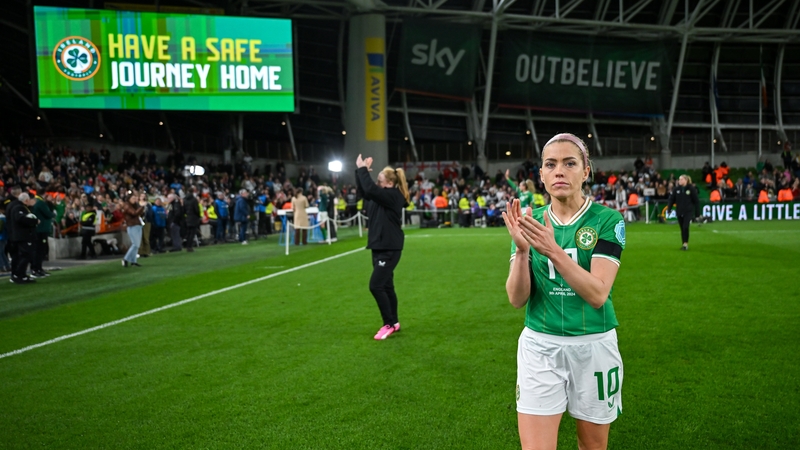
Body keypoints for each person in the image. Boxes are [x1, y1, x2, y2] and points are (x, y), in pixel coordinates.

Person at [503, 133, 626, 450]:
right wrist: (521, 251)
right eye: (550, 164)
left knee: (592, 447)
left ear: (586, 171)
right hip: (540, 347)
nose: (559, 171)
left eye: (569, 163)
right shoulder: (530, 219)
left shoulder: (607, 220)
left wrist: (552, 250)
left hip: (593, 348)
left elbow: (598, 294)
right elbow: (517, 299)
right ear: (541, 175)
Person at [354, 154, 410, 340]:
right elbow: (364, 192)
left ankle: (388, 324)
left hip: (389, 247)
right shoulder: (379, 196)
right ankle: (394, 322)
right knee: (386, 286)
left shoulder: (393, 196)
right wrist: (359, 172)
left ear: (388, 183)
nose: (376, 183)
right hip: (379, 245)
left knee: (375, 285)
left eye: (379, 180)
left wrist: (363, 170)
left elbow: (369, 189)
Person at [8, 193, 40, 284]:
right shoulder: (18, 208)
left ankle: (22, 275)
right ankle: (18, 275)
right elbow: (21, 219)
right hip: (22, 236)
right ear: (26, 200)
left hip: (22, 236)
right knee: (25, 255)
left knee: (25, 255)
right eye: (29, 199)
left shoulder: (22, 207)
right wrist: (35, 221)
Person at [666, 174, 700, 251]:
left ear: (686, 180)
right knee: (682, 228)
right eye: (679, 179)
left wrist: (697, 213)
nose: (679, 181)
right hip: (679, 211)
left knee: (685, 227)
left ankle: (685, 244)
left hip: (688, 211)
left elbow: (696, 201)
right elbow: (671, 199)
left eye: (681, 179)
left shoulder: (691, 189)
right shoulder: (676, 189)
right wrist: (669, 209)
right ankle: (684, 243)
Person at [30, 192, 55, 278]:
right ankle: (36, 269)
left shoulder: (38, 202)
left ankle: (38, 268)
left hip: (40, 229)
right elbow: (48, 214)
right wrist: (53, 214)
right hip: (41, 230)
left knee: (40, 250)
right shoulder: (40, 203)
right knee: (39, 250)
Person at [122, 193, 145, 267]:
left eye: (135, 198)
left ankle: (133, 261)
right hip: (132, 226)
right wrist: (142, 207)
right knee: (135, 244)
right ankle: (126, 259)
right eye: (133, 198)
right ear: (129, 199)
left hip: (138, 225)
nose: (135, 200)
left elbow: (139, 214)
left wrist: (141, 209)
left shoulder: (135, 205)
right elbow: (134, 213)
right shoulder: (127, 205)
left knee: (136, 245)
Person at [184, 187, 201, 252]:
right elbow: (196, 209)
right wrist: (198, 215)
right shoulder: (194, 200)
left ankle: (187, 246)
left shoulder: (185, 199)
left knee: (188, 233)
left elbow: (184, 209)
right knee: (192, 233)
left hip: (188, 217)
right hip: (193, 218)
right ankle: (190, 246)